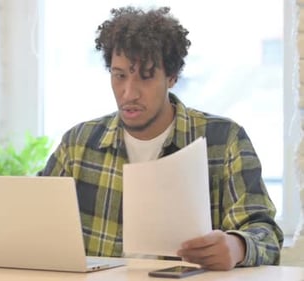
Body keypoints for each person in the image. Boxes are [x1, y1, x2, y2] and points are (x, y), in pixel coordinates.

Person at [38, 6, 283, 271]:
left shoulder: (224, 140)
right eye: (119, 75)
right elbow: (31, 216)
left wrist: (237, 246)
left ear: (172, 77)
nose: (129, 93)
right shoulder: (79, 143)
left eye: (146, 76)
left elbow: (266, 234)